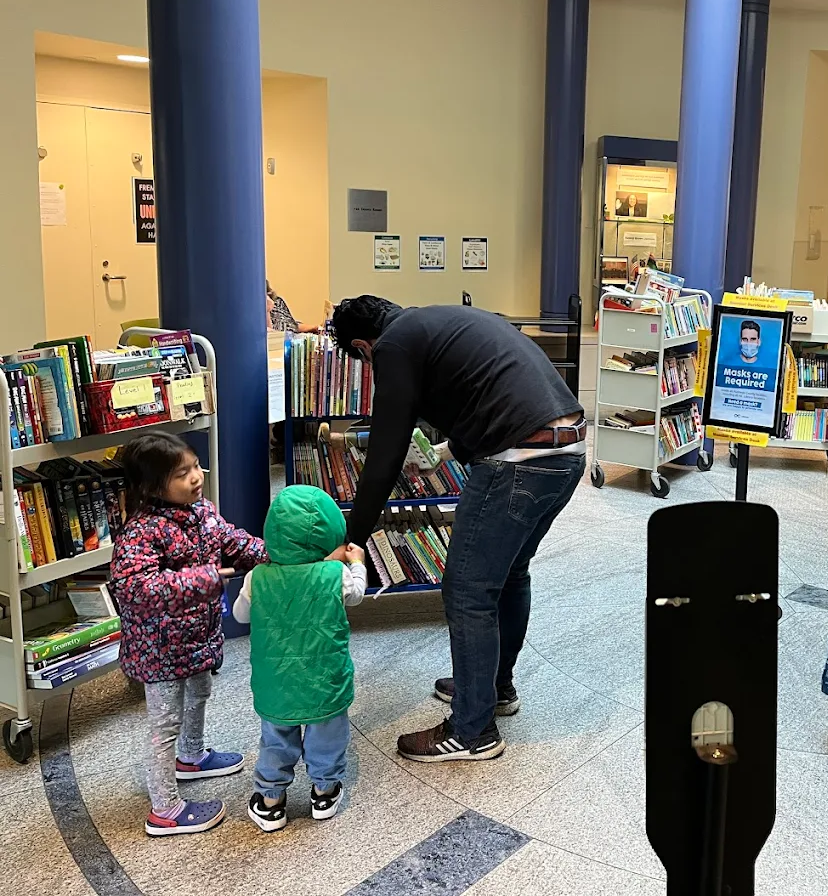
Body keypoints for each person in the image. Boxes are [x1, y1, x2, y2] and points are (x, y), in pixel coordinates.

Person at [330, 296, 586, 764]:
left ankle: (472, 730)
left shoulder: (392, 347)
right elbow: (485, 392)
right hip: (566, 456)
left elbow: (386, 451)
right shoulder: (442, 320)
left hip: (518, 464)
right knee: (509, 575)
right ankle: (492, 689)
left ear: (364, 347)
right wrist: (447, 454)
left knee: (468, 591)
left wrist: (354, 537)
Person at [110, 431, 268, 837]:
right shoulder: (141, 531)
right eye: (183, 473)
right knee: (164, 724)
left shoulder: (203, 512)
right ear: (151, 486)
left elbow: (234, 542)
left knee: (200, 694)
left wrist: (279, 553)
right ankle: (164, 808)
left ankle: (192, 757)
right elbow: (136, 587)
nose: (196, 477)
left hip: (197, 638)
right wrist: (206, 578)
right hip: (159, 649)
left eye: (195, 466)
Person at [234, 485, 368, 832]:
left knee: (276, 737)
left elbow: (240, 615)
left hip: (275, 682)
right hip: (325, 680)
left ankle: (270, 801)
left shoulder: (257, 578)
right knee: (327, 734)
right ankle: (324, 791)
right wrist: (357, 565)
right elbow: (355, 596)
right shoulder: (333, 575)